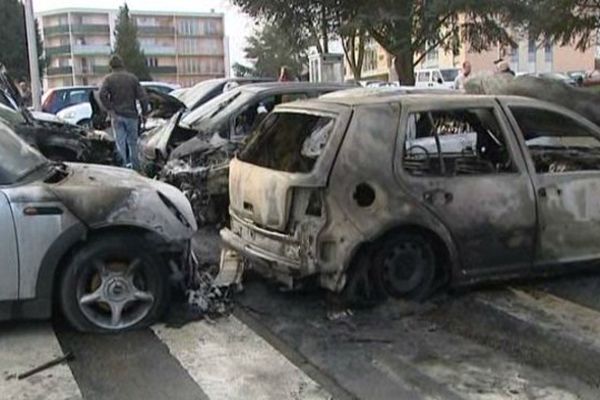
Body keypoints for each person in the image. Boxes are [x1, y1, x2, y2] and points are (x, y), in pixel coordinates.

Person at [99, 55, 149, 170]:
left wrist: (110, 109)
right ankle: (136, 169)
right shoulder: (132, 78)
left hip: (117, 115)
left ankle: (122, 169)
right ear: (122, 64)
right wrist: (144, 113)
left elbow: (102, 94)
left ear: (111, 66)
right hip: (132, 116)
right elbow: (143, 97)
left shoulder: (108, 79)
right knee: (133, 143)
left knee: (120, 144)